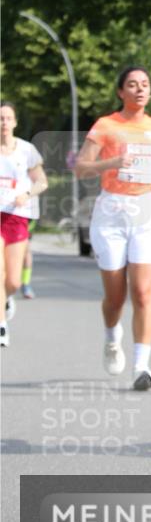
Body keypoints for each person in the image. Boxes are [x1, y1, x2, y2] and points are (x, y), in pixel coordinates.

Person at [75, 67, 151, 390]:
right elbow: (81, 169)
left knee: (143, 292)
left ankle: (142, 366)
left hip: (146, 209)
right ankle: (113, 339)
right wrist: (110, 164)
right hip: (111, 210)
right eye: (132, 84)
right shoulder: (106, 126)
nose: (139, 90)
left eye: (144, 85)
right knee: (115, 297)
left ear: (150, 92)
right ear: (120, 92)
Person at [0, 102, 48, 346]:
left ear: (15, 122)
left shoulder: (26, 150)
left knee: (13, 281)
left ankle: (7, 299)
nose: (4, 123)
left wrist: (26, 195)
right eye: (0, 118)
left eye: (8, 118)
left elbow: (42, 182)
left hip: (17, 217)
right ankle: (1, 326)